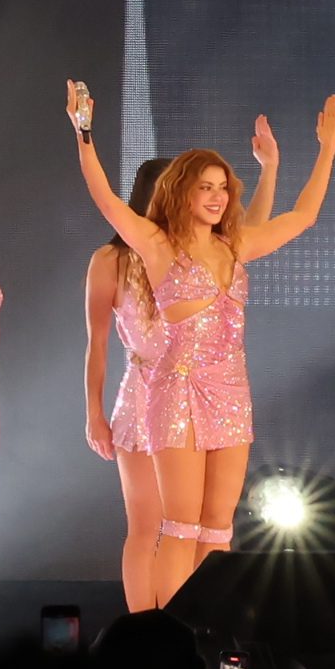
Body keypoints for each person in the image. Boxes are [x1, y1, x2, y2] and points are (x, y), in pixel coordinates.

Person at [68, 81, 335, 605]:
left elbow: (302, 216)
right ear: (181, 193)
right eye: (205, 188)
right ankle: (168, 634)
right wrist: (83, 132)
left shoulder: (234, 245)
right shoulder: (154, 245)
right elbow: (104, 196)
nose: (217, 197)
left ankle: (208, 632)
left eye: (222, 188)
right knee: (179, 525)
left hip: (230, 391)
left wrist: (327, 149)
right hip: (174, 391)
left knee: (218, 528)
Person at [81, 135, 276, 613]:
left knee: (198, 525)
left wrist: (269, 169)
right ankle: (144, 626)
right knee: (148, 525)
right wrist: (94, 412)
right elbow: (97, 342)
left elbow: (249, 233)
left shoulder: (203, 252)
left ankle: (189, 619)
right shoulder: (113, 259)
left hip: (203, 390)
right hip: (145, 392)